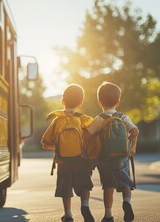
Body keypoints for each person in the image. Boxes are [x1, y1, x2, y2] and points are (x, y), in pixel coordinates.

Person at [85, 81, 139, 222]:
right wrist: (132, 147)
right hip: (122, 156)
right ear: (118, 102)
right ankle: (127, 201)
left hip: (104, 158)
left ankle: (108, 215)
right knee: (126, 182)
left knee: (108, 185)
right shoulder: (123, 117)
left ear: (99, 101)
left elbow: (87, 136)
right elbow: (135, 131)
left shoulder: (99, 119)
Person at [41, 84, 95, 222]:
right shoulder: (84, 119)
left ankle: (69, 215)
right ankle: (85, 205)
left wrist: (60, 146)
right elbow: (94, 135)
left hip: (63, 160)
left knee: (65, 187)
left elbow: (45, 143)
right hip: (81, 159)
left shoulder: (57, 119)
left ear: (63, 101)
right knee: (84, 184)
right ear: (80, 102)